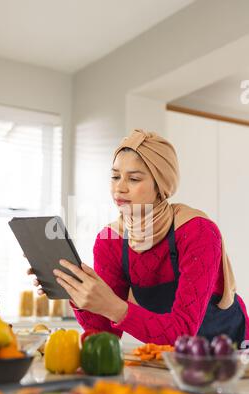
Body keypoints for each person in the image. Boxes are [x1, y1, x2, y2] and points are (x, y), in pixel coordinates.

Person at [29, 129, 249, 346]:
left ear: (160, 185)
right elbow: (104, 334)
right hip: (169, 360)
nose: (119, 188)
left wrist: (114, 306)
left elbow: (183, 332)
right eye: (115, 176)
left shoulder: (197, 231)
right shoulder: (110, 240)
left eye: (133, 179)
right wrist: (79, 294)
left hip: (233, 353)